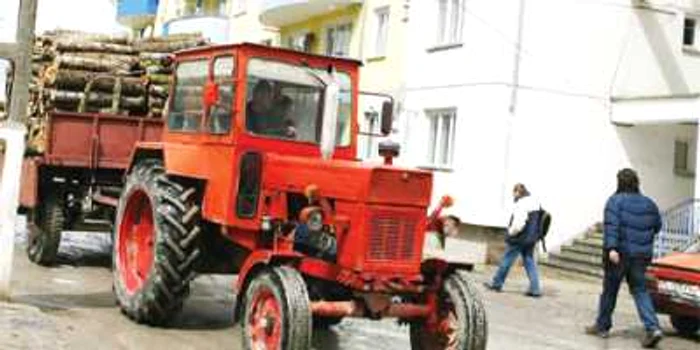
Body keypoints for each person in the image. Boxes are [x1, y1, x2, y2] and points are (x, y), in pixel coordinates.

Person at [585, 168, 663, 348]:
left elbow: (612, 226)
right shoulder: (649, 203)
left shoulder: (614, 201)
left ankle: (602, 326)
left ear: (619, 182)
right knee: (640, 291)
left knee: (610, 291)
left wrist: (611, 248)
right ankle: (653, 328)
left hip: (619, 254)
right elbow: (657, 226)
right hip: (641, 255)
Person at [484, 183, 542, 297]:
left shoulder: (522, 203)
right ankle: (535, 289)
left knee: (507, 259)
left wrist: (511, 232)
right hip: (531, 238)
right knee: (529, 261)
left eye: (514, 193)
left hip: (519, 238)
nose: (513, 196)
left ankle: (496, 283)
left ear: (518, 192)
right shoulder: (535, 203)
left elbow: (519, 223)